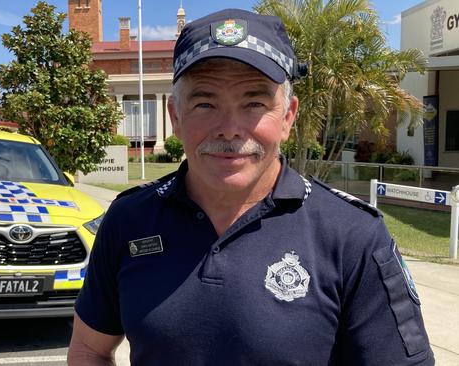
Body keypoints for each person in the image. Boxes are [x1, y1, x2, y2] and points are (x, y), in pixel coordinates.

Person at [67, 8, 434, 366]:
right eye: (206, 103)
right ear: (175, 117)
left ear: (288, 117)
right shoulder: (129, 219)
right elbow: (89, 349)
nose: (230, 128)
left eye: (254, 103)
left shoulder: (352, 235)